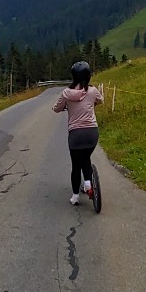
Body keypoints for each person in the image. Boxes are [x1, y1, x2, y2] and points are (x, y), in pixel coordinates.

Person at [52, 60, 103, 205]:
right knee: (86, 156)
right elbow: (101, 101)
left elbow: (57, 108)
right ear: (88, 76)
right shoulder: (93, 91)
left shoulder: (67, 93)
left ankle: (75, 197)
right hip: (92, 133)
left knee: (76, 164)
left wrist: (62, 108)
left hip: (76, 134)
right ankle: (88, 184)